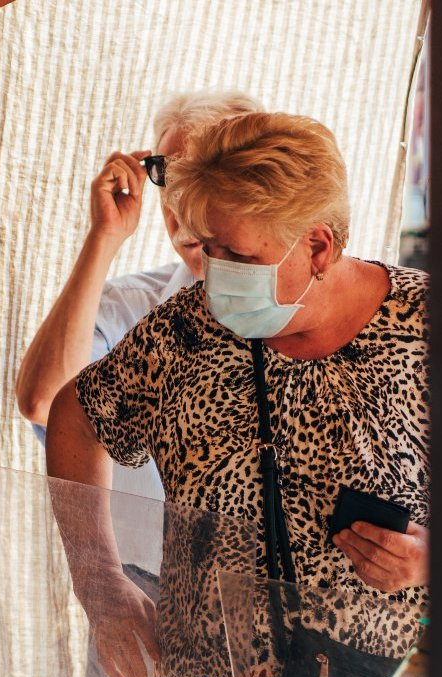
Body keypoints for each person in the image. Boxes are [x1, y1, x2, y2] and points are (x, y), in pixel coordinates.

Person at [45, 112, 431, 677]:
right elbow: (74, 414)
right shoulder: (186, 331)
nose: (216, 273)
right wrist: (99, 584)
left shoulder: (437, 331)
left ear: (319, 244)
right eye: (206, 247)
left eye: (240, 257)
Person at [16, 89, 261, 501]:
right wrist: (104, 236)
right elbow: (44, 401)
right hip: (138, 567)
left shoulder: (305, 307)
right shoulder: (130, 308)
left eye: (200, 177)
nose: (180, 208)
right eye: (166, 177)